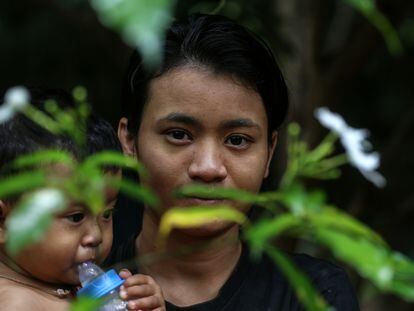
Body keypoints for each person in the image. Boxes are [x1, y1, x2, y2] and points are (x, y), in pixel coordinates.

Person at [110, 14, 360, 310]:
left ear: (269, 151)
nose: (208, 167)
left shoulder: (313, 295)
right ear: (129, 141)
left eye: (238, 140)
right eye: (179, 134)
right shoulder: (77, 286)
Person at [0, 88, 165, 310]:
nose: (96, 236)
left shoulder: (65, 287)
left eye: (106, 214)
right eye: (76, 216)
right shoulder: (16, 303)